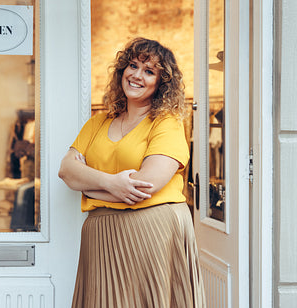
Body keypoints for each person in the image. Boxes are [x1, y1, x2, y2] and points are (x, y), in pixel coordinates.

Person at [59, 37, 206, 308]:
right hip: (102, 237)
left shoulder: (167, 123)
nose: (137, 75)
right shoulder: (98, 122)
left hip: (152, 233)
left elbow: (146, 185)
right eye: (133, 66)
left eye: (149, 71)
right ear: (122, 71)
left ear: (161, 84)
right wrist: (111, 183)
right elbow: (67, 171)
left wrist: (89, 187)